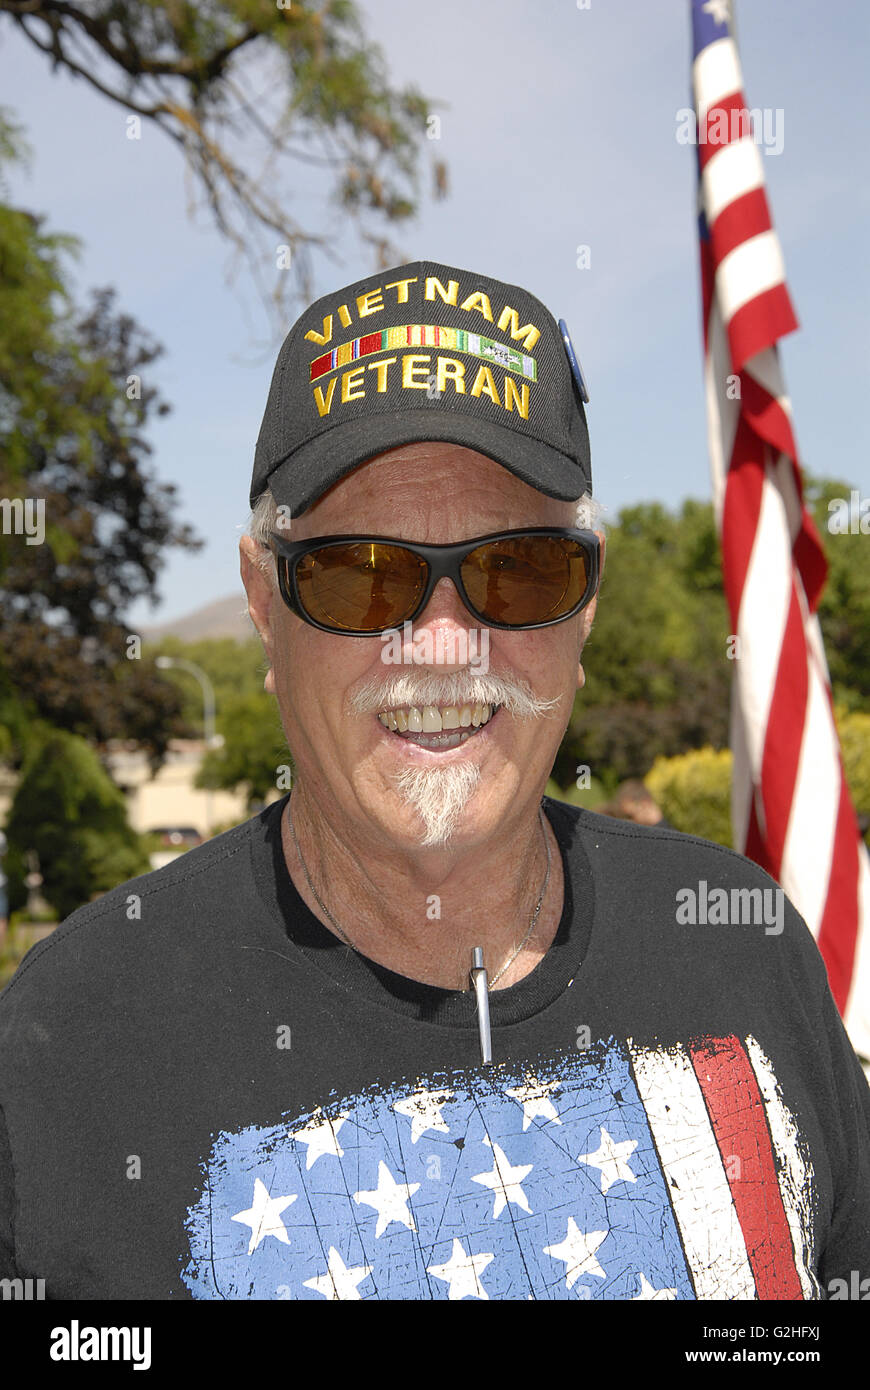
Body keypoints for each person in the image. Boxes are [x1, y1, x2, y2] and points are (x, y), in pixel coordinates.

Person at [0, 260, 867, 1302]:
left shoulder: (744, 946)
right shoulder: (71, 1040)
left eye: (520, 568)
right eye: (361, 574)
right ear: (263, 605)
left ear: (584, 609)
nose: (444, 646)